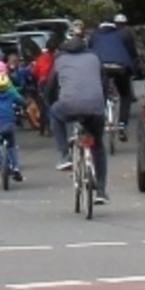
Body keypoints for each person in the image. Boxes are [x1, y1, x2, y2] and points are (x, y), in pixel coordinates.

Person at [46, 33, 111, 202]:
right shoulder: (94, 57)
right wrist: (101, 104)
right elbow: (104, 84)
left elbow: (50, 86)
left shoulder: (59, 59)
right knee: (97, 145)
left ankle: (64, 155)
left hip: (68, 105)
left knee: (55, 112)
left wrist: (50, 102)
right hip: (95, 107)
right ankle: (101, 191)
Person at [90, 16, 137, 139]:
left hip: (100, 67)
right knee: (125, 95)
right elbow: (132, 52)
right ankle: (122, 124)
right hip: (120, 67)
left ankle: (99, 121)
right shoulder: (123, 34)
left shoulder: (94, 35)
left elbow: (89, 50)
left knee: (100, 93)